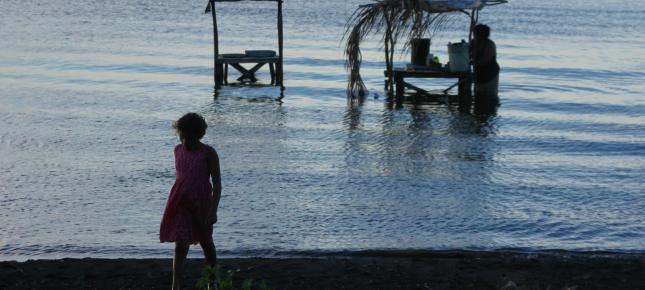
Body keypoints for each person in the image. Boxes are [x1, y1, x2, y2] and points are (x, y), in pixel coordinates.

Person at [160, 112, 222, 290]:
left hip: (202, 203)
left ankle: (213, 280)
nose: (184, 140)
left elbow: (217, 184)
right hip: (180, 202)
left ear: (199, 134)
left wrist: (214, 210)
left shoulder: (208, 153)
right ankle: (176, 284)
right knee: (181, 243)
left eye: (189, 136)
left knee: (206, 242)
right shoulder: (177, 150)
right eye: (182, 136)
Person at [471, 23, 500, 100]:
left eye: (475, 33)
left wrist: (473, 62)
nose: (474, 35)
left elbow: (486, 59)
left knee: (489, 94)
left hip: (490, 72)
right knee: (479, 93)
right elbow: (468, 53)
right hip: (479, 71)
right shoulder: (473, 42)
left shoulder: (490, 44)